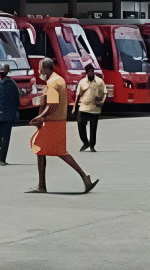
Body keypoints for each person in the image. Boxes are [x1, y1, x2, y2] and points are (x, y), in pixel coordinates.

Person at [28, 58, 98, 194]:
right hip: (58, 121)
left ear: (46, 69)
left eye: (40, 68)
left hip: (52, 122)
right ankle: (43, 184)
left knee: (52, 150)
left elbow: (52, 103)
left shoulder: (53, 82)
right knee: (46, 150)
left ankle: (44, 185)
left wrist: (40, 116)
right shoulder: (57, 79)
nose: (39, 71)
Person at [73, 64, 106, 152]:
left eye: (92, 71)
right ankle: (85, 142)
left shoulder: (99, 82)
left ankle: (92, 146)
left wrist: (101, 102)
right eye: (89, 72)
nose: (91, 73)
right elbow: (78, 95)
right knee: (80, 126)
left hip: (95, 108)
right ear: (87, 72)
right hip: (83, 107)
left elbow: (104, 93)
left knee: (93, 128)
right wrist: (74, 107)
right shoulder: (82, 82)